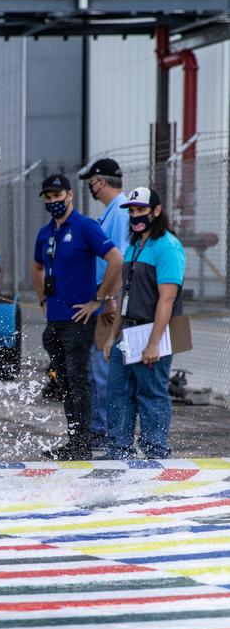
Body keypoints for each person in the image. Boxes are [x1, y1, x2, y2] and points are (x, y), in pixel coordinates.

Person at [31, 173, 124, 460]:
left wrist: (98, 299)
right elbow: (36, 267)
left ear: (69, 195)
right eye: (48, 197)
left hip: (79, 320)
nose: (53, 201)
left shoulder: (85, 227)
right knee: (63, 382)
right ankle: (75, 439)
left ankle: (83, 442)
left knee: (79, 380)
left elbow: (116, 259)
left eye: (57, 196)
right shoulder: (46, 233)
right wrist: (43, 299)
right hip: (55, 319)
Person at [102, 187, 185, 460]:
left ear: (156, 211)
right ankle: (119, 451)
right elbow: (124, 294)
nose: (136, 216)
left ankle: (156, 453)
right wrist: (112, 336)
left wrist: (153, 344)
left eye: (141, 210)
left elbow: (167, 299)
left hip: (155, 332)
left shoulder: (168, 246)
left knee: (151, 394)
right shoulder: (136, 246)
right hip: (128, 332)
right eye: (132, 211)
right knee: (118, 392)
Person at [79, 157, 130, 450]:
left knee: (104, 370)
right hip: (104, 298)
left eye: (92, 182)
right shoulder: (111, 213)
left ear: (100, 181)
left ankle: (107, 433)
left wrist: (110, 300)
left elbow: (121, 262)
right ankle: (102, 429)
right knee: (98, 368)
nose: (91, 188)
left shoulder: (120, 214)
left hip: (108, 302)